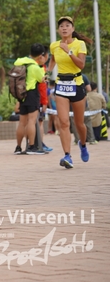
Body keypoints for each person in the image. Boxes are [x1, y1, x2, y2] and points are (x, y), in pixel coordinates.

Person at [47, 16, 93, 169]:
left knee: (79, 124)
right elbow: (53, 59)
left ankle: (83, 145)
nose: (64, 28)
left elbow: (81, 65)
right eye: (61, 26)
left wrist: (69, 52)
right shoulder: (54, 45)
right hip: (61, 85)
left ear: (72, 29)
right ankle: (67, 156)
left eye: (67, 25)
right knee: (64, 122)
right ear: (58, 30)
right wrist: (48, 71)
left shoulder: (79, 44)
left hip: (77, 84)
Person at [13, 44, 49, 155]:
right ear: (41, 55)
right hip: (32, 94)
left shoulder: (19, 62)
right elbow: (42, 79)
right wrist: (42, 68)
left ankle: (18, 147)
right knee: (32, 121)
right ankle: (31, 147)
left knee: (22, 122)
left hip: (21, 95)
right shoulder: (35, 67)